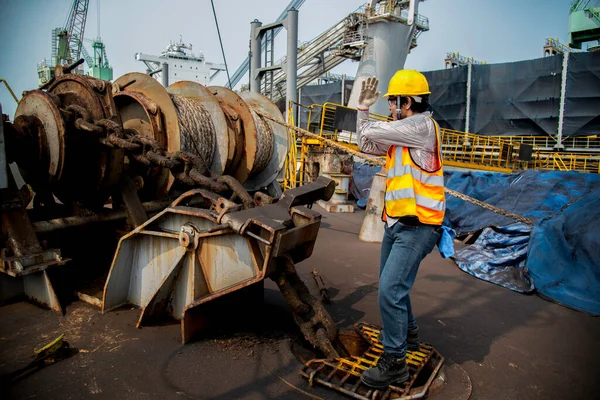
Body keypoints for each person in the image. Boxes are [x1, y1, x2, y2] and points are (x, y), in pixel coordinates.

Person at [356, 70, 445, 389]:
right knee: (392, 287)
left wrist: (366, 114)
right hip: (397, 222)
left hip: (419, 226)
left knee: (390, 291)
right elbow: (366, 143)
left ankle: (395, 364)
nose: (391, 107)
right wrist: (363, 111)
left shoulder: (420, 127)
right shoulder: (401, 133)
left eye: (394, 101)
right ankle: (409, 338)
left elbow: (373, 130)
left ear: (407, 101)